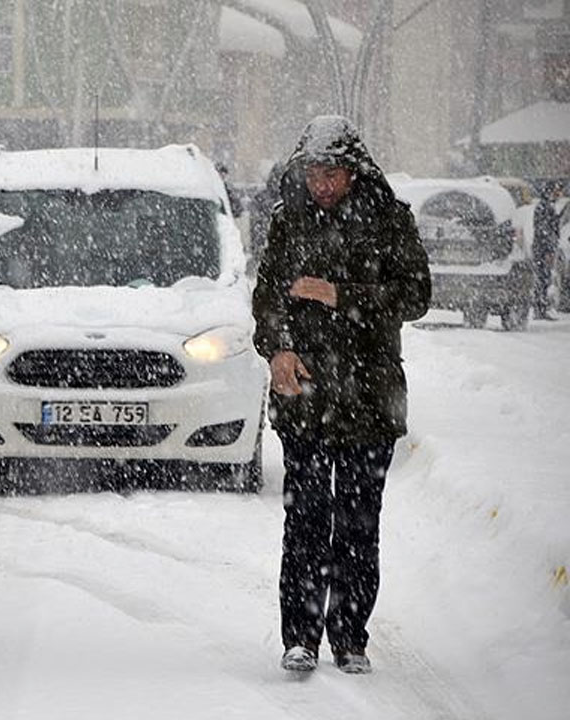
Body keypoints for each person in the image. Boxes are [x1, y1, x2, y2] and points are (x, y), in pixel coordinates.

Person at [252, 116, 431, 675]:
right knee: (305, 519)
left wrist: (341, 294)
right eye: (313, 172)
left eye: (331, 173)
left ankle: (351, 637)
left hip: (370, 397)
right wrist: (279, 347)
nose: (321, 184)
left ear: (353, 171)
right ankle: (299, 636)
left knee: (358, 523)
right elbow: (267, 301)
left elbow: (417, 294)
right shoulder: (288, 222)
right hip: (304, 395)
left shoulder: (389, 220)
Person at [531, 181, 561, 320]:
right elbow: (544, 231)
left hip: (541, 248)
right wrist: (548, 250)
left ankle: (540, 308)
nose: (557, 193)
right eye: (554, 190)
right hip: (542, 249)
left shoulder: (545, 207)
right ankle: (540, 308)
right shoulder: (545, 208)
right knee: (543, 278)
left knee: (543, 278)